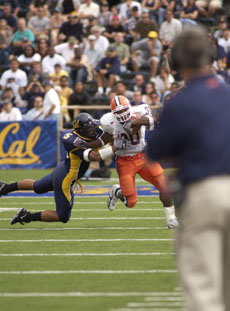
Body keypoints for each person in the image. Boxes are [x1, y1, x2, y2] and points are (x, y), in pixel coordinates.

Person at [146, 26, 230, 311]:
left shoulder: (179, 102)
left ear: (176, 63)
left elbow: (155, 150)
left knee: (204, 291)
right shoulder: (227, 93)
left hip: (203, 193)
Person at [74, 95, 178, 229]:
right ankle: (117, 192)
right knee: (131, 202)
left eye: (124, 110)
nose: (122, 114)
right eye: (118, 112)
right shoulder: (108, 121)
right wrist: (86, 144)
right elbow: (103, 140)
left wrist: (135, 121)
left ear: (129, 107)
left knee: (164, 187)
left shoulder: (140, 110)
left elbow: (152, 121)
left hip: (144, 157)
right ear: (113, 114)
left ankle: (171, 219)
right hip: (125, 162)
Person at [0, 113, 116, 225]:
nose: (93, 131)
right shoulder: (72, 140)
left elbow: (106, 133)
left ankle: (5, 187)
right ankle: (27, 216)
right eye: (88, 129)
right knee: (63, 216)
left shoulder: (97, 125)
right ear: (80, 130)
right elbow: (94, 156)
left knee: (38, 186)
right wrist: (116, 148)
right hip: (65, 178)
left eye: (93, 127)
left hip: (62, 169)